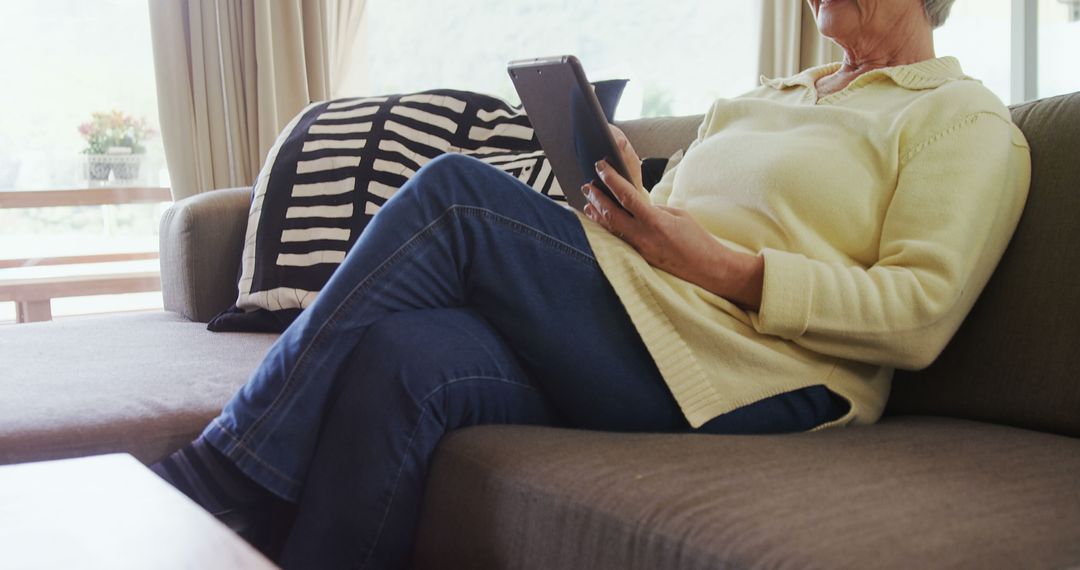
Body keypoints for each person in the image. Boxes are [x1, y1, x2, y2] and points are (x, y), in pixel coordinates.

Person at [151, 0, 1031, 567]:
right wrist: (634, 203)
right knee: (403, 355)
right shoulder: (764, 97)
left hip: (762, 370)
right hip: (655, 316)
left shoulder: (958, 119)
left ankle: (221, 476)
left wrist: (721, 268)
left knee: (453, 194)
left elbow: (919, 316)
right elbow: (677, 229)